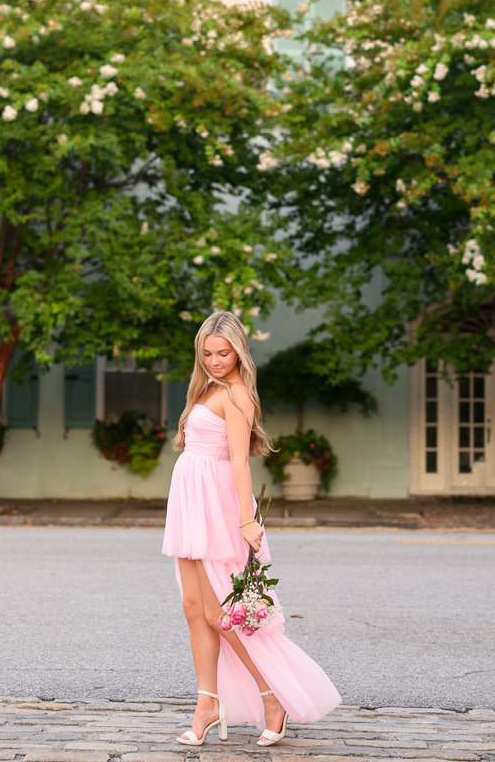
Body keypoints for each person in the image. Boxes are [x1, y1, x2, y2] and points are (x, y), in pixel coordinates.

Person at [162, 311, 341, 746]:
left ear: (239, 351)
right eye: (207, 353)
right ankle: (208, 702)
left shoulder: (237, 393)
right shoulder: (205, 388)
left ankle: (272, 695)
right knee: (192, 607)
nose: (215, 360)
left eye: (223, 353)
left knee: (220, 614)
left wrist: (247, 519)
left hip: (217, 504)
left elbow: (240, 462)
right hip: (190, 501)